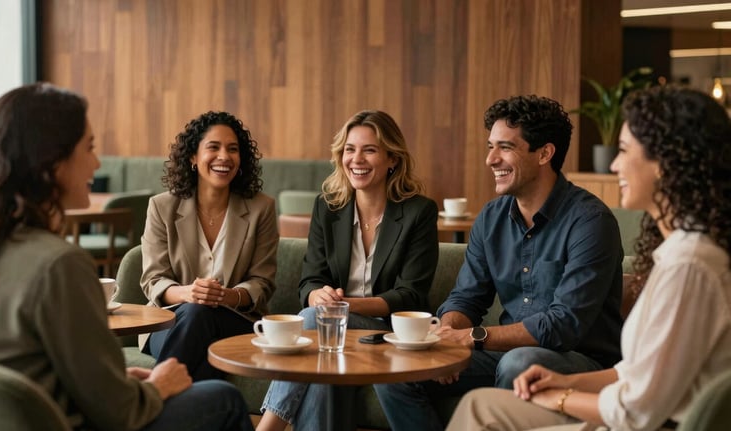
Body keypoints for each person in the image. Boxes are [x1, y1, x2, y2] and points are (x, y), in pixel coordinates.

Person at [0, 83, 252, 430]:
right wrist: (157, 385)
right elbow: (120, 413)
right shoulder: (60, 264)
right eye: (89, 147)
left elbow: (24, 371)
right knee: (222, 399)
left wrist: (120, 383)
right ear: (52, 162)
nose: (97, 163)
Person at [445, 85, 731, 431]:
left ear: (664, 164)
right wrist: (561, 383)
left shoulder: (689, 267)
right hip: (619, 405)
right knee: (475, 400)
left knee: (483, 407)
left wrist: (558, 397)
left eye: (624, 150)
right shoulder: (682, 257)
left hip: (630, 419)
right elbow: (633, 374)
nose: (613, 164)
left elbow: (634, 411)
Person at [374, 95, 625, 430]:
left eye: (505, 147)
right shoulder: (491, 217)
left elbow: (564, 325)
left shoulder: (591, 221)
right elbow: (467, 298)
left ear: (544, 154)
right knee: (398, 368)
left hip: (580, 361)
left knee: (519, 362)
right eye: (490, 146)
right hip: (502, 356)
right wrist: (449, 336)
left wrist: (473, 339)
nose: (491, 159)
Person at [256, 110, 440, 431]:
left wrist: (340, 308)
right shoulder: (327, 208)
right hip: (334, 333)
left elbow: (410, 294)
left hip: (390, 332)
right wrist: (317, 294)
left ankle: (268, 426)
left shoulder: (418, 212)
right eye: (349, 149)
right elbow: (310, 280)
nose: (357, 159)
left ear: (392, 159)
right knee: (320, 353)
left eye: (369, 150)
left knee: (316, 320)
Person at [141, 111, 278, 381]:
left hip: (236, 320)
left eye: (233, 149)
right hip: (171, 321)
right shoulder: (162, 207)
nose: (224, 157)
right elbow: (153, 279)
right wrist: (188, 293)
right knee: (196, 316)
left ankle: (155, 397)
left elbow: (262, 282)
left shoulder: (261, 208)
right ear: (193, 156)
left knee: (200, 315)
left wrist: (228, 297)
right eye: (213, 147)